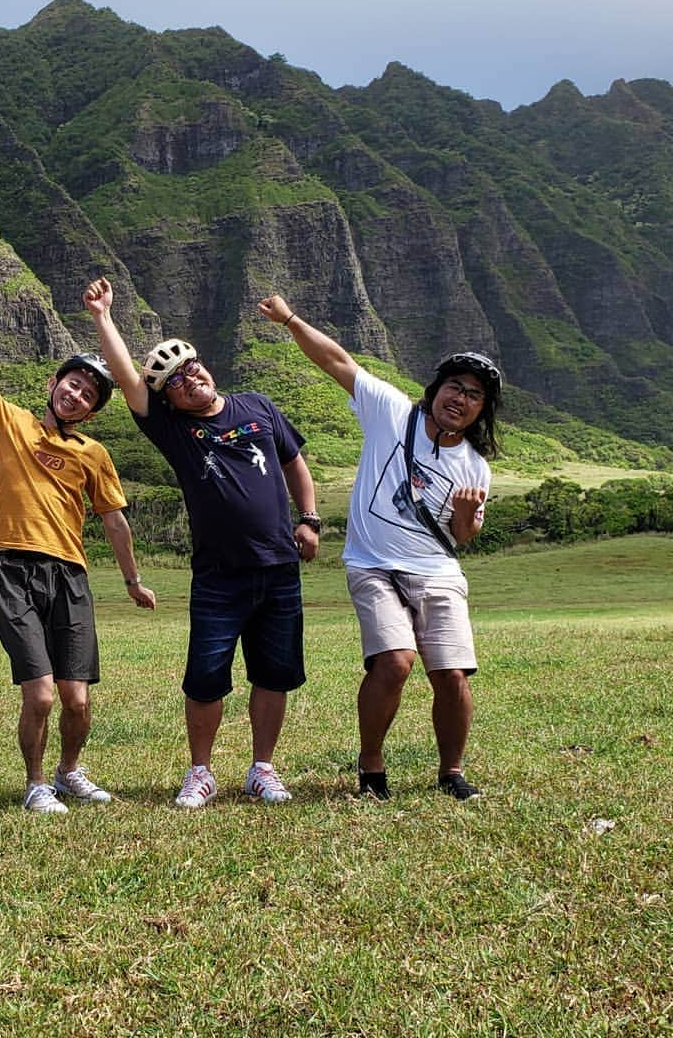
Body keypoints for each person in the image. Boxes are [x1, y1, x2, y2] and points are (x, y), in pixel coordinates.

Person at [0, 297, 157, 814]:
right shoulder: (12, 423)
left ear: (93, 409)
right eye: (72, 383)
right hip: (12, 569)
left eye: (88, 394)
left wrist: (132, 581)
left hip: (70, 575)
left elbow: (113, 520)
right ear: (52, 385)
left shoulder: (93, 454)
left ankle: (69, 772)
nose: (77, 394)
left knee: (77, 698)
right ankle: (36, 783)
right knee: (40, 694)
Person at [83, 277, 320, 809]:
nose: (191, 381)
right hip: (218, 575)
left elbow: (293, 462)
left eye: (193, 369)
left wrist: (309, 519)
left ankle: (262, 769)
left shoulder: (257, 406)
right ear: (168, 399)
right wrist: (103, 317)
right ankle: (200, 772)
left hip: (279, 568)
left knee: (273, 672)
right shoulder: (173, 431)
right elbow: (127, 380)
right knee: (206, 676)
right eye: (177, 382)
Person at [258, 293, 501, 801]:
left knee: (452, 673)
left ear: (481, 409)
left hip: (436, 569)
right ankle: (371, 767)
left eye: (473, 394)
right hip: (372, 565)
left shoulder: (476, 465)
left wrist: (463, 515)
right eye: (453, 386)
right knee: (394, 662)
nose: (459, 398)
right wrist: (289, 320)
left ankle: (452, 772)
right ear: (436, 389)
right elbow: (337, 361)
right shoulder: (392, 411)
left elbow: (464, 535)